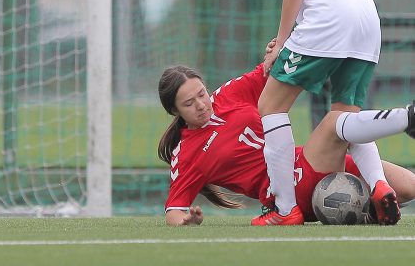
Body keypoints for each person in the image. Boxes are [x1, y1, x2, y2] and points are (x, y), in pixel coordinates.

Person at [242, 0, 396, 225]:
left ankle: (284, 209)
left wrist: (280, 44)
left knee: (270, 105)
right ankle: (380, 186)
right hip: (368, 21)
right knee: (344, 119)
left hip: (329, 20)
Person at [158, 63, 415, 226]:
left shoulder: (227, 95)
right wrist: (185, 221)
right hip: (288, 189)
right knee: (337, 121)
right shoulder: (187, 154)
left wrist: (278, 49)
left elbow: (271, 71)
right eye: (189, 103)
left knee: (408, 187)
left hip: (308, 162)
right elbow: (174, 210)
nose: (201, 104)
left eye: (201, 93)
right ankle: (408, 117)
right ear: (174, 111)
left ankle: (366, 208)